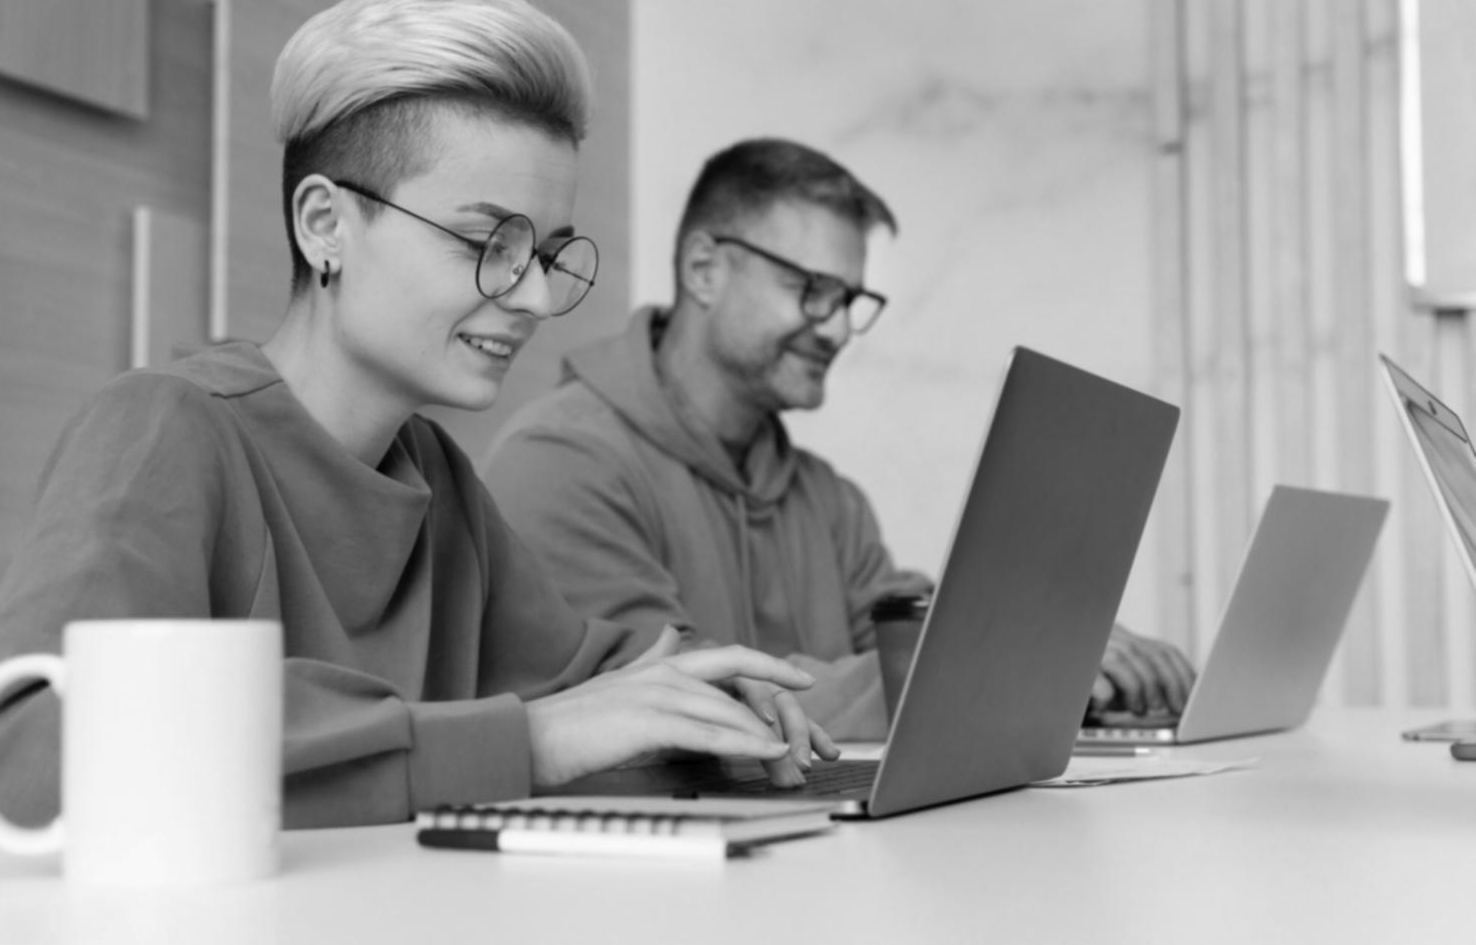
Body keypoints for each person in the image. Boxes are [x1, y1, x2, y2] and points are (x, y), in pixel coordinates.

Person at [0, 0, 836, 831]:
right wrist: (524, 744)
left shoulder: (438, 478)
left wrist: (706, 681)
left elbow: (587, 677)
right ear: (325, 224)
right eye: (485, 243)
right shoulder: (162, 427)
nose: (535, 296)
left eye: (546, 252)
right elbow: (25, 754)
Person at [483, 138, 1197, 741]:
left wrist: (1060, 646)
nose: (834, 327)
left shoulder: (830, 501)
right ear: (704, 269)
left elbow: (917, 647)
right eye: (812, 289)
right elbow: (678, 706)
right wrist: (1007, 660)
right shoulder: (559, 463)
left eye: (850, 301)